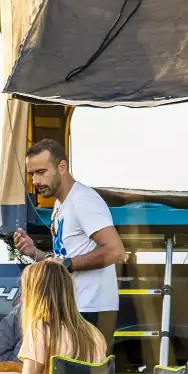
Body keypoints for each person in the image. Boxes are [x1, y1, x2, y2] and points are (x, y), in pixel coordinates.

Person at [13, 138, 124, 348]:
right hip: (72, 308)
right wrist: (34, 252)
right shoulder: (60, 205)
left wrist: (67, 264)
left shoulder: (83, 200)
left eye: (41, 172)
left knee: (81, 371)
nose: (35, 181)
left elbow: (115, 250)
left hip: (91, 310)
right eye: (32, 174)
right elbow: (62, 259)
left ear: (62, 167)